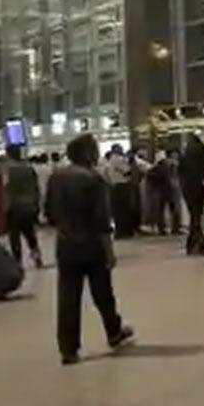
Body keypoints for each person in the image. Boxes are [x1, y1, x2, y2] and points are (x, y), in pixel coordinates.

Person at [46, 134, 135, 365]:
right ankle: (114, 332)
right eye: (94, 150)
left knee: (68, 298)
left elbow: (49, 213)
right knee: (103, 293)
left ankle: (68, 349)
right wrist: (110, 251)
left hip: (65, 245)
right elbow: (102, 220)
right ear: (86, 153)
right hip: (91, 246)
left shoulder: (56, 177)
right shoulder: (93, 180)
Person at [2, 144, 43, 268]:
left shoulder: (7, 169)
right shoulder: (29, 168)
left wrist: (5, 207)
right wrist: (36, 204)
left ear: (8, 154)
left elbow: (6, 188)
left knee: (14, 237)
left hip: (14, 207)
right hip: (29, 206)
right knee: (30, 234)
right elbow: (36, 188)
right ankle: (37, 256)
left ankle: (17, 263)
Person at [180, 134, 204, 255]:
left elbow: (180, 172)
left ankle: (193, 243)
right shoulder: (202, 154)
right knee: (197, 216)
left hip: (188, 188)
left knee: (194, 215)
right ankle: (198, 243)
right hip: (199, 188)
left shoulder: (185, 156)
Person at [103, 146, 135, 238]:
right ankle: (123, 232)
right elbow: (127, 171)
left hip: (115, 186)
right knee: (123, 210)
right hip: (121, 185)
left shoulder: (110, 161)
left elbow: (106, 175)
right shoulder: (118, 159)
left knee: (118, 210)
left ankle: (121, 231)